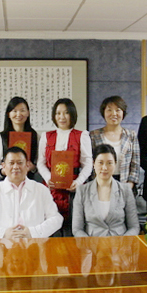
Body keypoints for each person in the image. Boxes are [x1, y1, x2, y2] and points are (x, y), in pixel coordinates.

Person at [0, 147, 63, 239]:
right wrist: (2, 233)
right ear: (3, 166)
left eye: (20, 163)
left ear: (27, 165)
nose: (15, 167)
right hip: (2, 245)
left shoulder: (41, 190)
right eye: (11, 163)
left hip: (34, 244)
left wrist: (33, 232)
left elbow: (56, 218)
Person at [37, 98, 93, 233]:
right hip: (51, 187)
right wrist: (48, 178)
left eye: (66, 113)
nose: (62, 117)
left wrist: (78, 182)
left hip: (73, 188)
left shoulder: (82, 135)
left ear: (72, 114)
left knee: (73, 227)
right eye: (58, 113)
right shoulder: (46, 136)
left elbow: (88, 163)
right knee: (50, 227)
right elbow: (41, 162)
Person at [72, 144, 140, 237]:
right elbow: (77, 229)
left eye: (109, 163)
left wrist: (123, 243)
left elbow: (134, 227)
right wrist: (88, 244)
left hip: (120, 243)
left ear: (115, 164)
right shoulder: (82, 191)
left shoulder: (125, 190)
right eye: (100, 162)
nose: (104, 168)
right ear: (93, 164)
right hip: (92, 243)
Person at [89, 96, 140, 189]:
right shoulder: (93, 135)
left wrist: (130, 184)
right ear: (103, 112)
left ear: (123, 113)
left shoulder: (131, 135)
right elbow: (89, 162)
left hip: (124, 183)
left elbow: (135, 163)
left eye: (118, 110)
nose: (114, 114)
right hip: (99, 184)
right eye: (109, 110)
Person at [0, 97, 39, 180]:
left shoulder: (35, 136)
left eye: (22, 110)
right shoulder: (1, 137)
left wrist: (33, 167)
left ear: (28, 113)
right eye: (14, 111)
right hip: (7, 181)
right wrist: (3, 171)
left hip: (29, 181)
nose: (18, 114)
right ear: (8, 114)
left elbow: (40, 162)